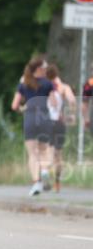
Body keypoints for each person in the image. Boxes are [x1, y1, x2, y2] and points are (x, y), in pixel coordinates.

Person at [11, 56, 60, 196]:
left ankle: (36, 183)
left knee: (32, 153)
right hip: (44, 118)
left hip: (30, 119)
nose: (46, 70)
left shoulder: (23, 83)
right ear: (38, 69)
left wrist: (23, 109)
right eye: (44, 67)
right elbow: (55, 103)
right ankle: (44, 171)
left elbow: (14, 105)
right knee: (44, 150)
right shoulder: (48, 84)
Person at [45, 63, 77, 193]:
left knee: (49, 152)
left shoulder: (45, 87)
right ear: (57, 74)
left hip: (47, 122)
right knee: (58, 154)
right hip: (60, 122)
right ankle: (57, 183)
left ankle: (46, 176)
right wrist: (71, 115)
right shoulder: (64, 87)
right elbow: (72, 101)